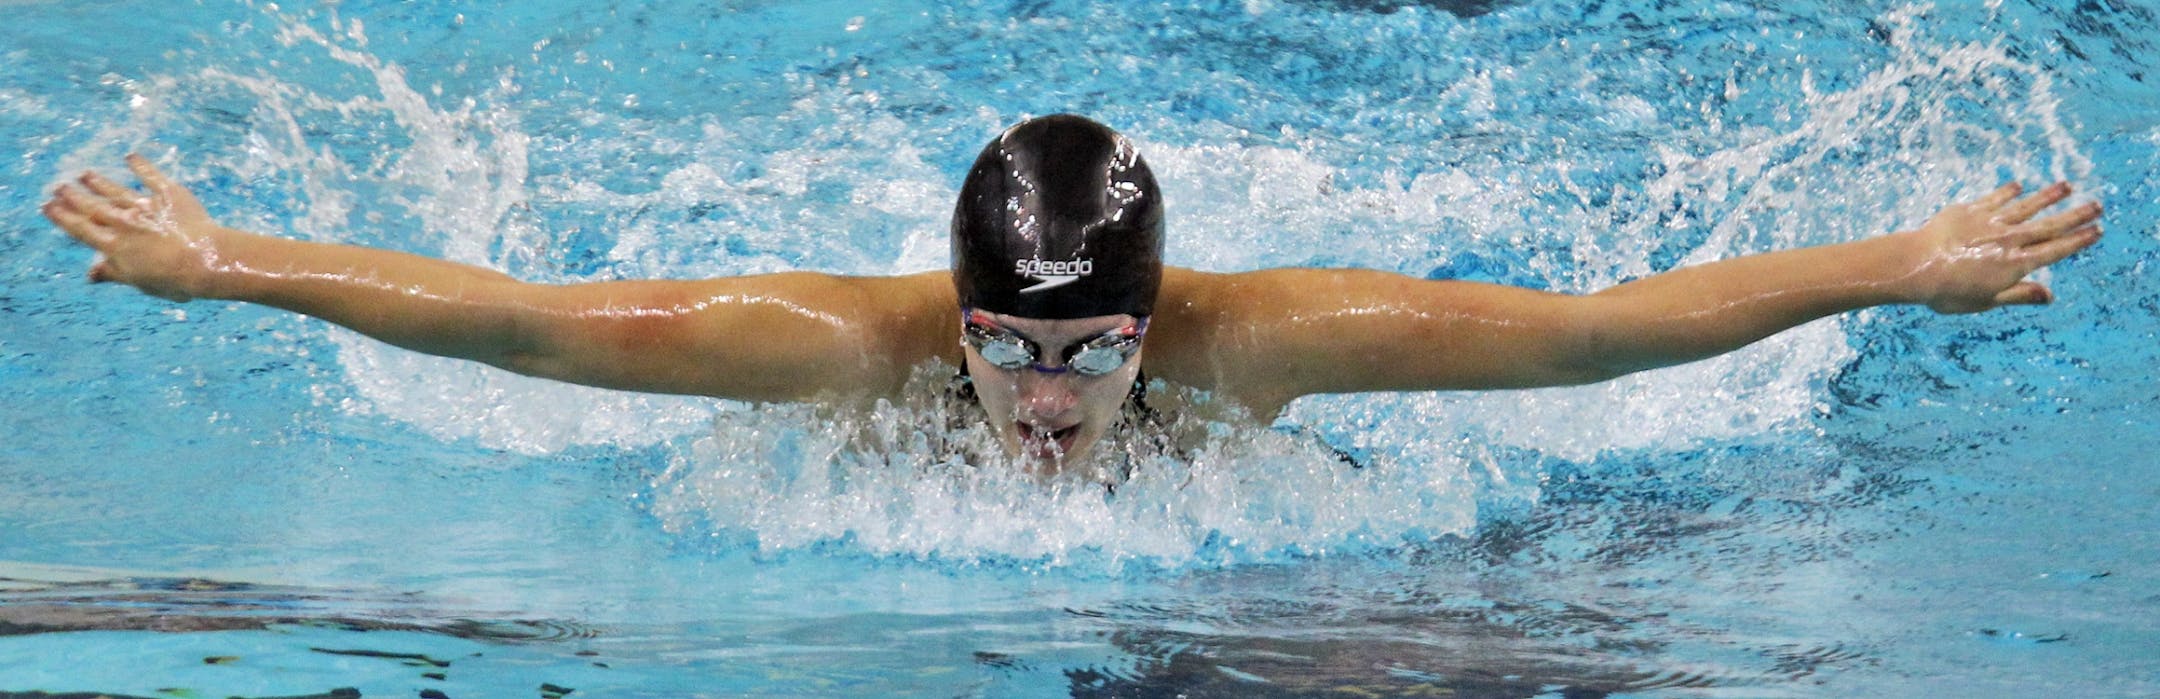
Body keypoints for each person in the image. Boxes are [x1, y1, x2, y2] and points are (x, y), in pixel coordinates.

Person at [41, 114, 2103, 480]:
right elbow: (515, 320)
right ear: (949, 317)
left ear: (1156, 314)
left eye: (1091, 351)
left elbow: (1598, 332)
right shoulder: (829, 349)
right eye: (1008, 349)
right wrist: (222, 266)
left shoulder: (1269, 340)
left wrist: (1894, 264)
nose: (1044, 400)